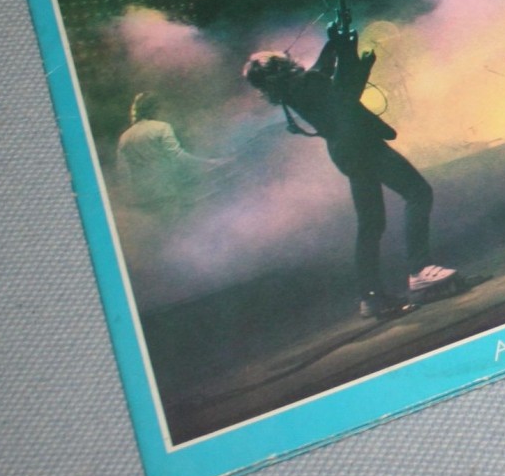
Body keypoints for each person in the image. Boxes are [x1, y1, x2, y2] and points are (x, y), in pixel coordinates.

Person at [243, 22, 460, 319]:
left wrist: (335, 44)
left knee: (371, 224)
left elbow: (322, 72)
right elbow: (346, 92)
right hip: (362, 145)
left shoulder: (292, 91)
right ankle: (420, 269)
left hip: (345, 151)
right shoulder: (309, 84)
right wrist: (352, 53)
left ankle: (370, 297)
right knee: (417, 192)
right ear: (281, 65)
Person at [115, 91, 216, 214]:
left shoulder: (124, 137)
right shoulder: (161, 128)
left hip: (142, 198)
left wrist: (130, 199)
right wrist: (209, 162)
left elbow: (123, 172)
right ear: (154, 108)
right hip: (165, 192)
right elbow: (178, 156)